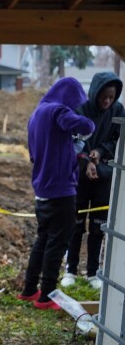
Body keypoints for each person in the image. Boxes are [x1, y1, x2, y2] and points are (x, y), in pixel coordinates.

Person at [19, 77, 95, 309]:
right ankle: (47, 295)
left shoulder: (36, 114)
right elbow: (86, 126)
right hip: (61, 188)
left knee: (43, 239)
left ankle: (30, 289)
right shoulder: (58, 110)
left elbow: (36, 152)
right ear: (69, 97)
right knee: (58, 241)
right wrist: (87, 127)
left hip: (42, 187)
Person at [62, 72, 125, 290]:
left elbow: (116, 140)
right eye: (103, 97)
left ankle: (92, 272)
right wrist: (87, 160)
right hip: (79, 176)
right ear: (95, 93)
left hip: (103, 176)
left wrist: (99, 152)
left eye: (111, 97)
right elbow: (72, 141)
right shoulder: (80, 110)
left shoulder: (117, 111)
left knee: (98, 226)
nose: (107, 101)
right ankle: (70, 270)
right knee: (76, 225)